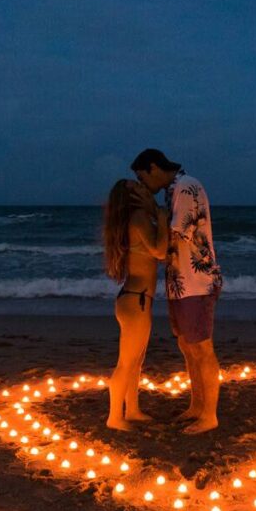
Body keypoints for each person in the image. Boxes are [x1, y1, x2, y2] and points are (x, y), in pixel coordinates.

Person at [130, 149, 223, 434]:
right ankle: (197, 405)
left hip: (195, 282)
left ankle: (209, 415)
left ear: (154, 167)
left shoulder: (185, 188)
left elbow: (171, 239)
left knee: (202, 347)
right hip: (181, 282)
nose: (143, 184)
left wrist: (148, 219)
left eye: (142, 177)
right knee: (187, 346)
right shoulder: (174, 191)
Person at [102, 178, 169, 430]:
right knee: (127, 362)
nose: (143, 187)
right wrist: (161, 219)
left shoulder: (134, 220)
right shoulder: (140, 218)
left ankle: (132, 410)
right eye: (137, 187)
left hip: (133, 299)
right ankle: (114, 418)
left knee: (136, 361)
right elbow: (160, 252)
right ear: (132, 198)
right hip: (137, 300)